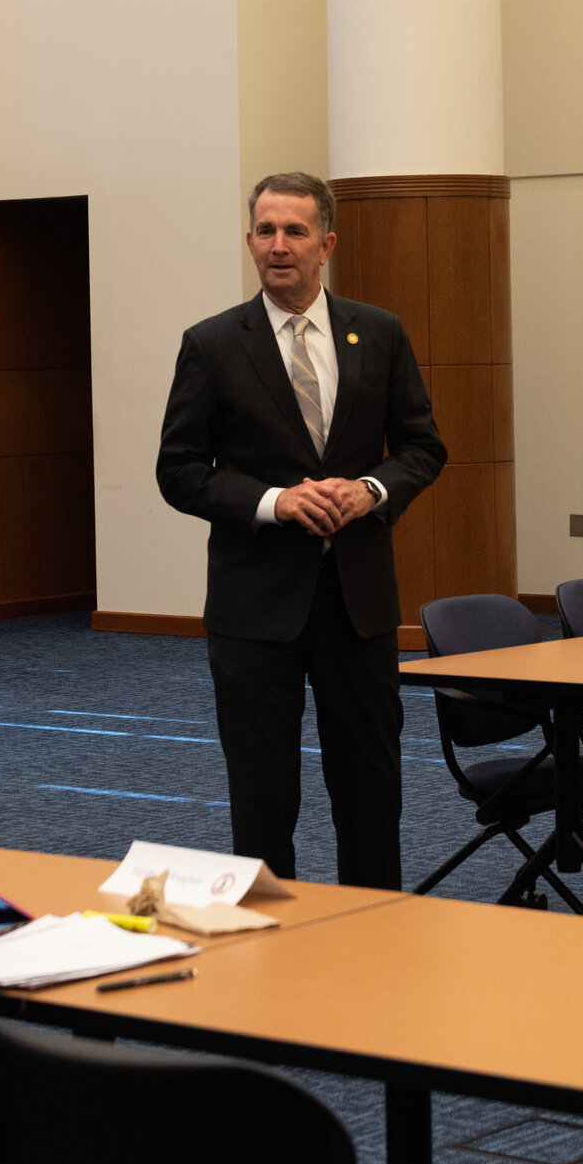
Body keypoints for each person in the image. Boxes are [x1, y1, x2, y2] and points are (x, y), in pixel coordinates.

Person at [155, 172, 446, 890]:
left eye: (294, 231)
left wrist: (371, 489)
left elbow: (422, 447)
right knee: (263, 798)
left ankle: (376, 936)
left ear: (327, 243)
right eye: (265, 231)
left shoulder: (378, 332)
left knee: (371, 793)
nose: (278, 246)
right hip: (256, 610)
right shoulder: (214, 344)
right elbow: (180, 469)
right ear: (250, 240)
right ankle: (271, 956)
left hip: (358, 604)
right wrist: (274, 502)